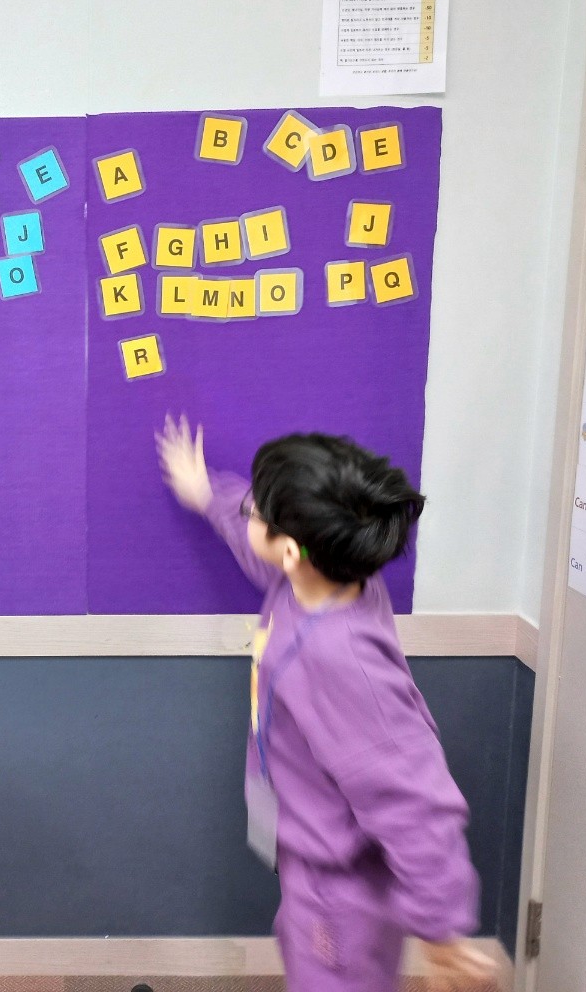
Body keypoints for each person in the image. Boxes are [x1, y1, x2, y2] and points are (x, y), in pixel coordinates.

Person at [156, 416, 494, 992]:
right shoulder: (324, 576)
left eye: (256, 509)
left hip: (341, 889)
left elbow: (413, 798)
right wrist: (210, 492)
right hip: (312, 860)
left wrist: (442, 931)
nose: (248, 515)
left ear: (291, 548)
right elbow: (253, 538)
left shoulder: (342, 659)